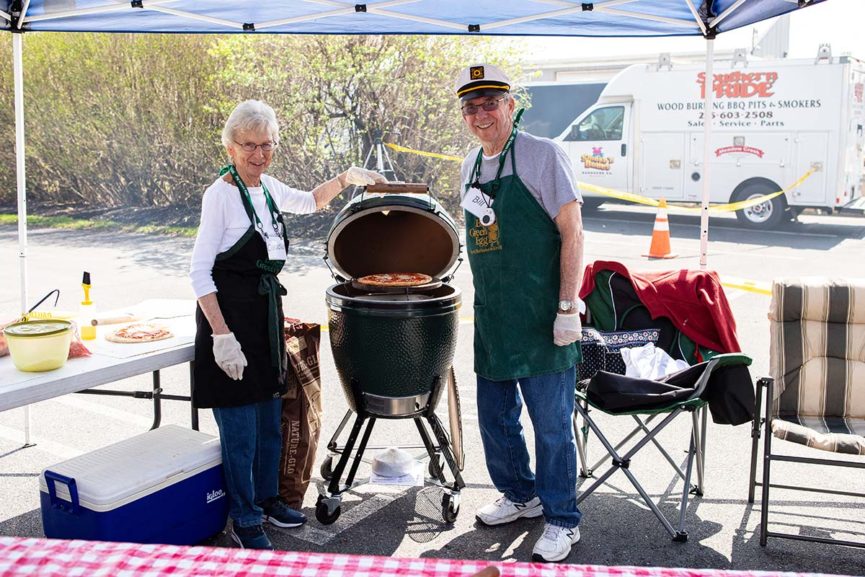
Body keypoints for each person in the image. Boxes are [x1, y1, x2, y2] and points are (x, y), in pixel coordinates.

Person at [189, 99, 384, 550]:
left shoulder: (269, 186)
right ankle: (244, 516)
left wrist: (345, 178)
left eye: (267, 145)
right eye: (249, 145)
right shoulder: (220, 195)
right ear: (231, 146)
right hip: (231, 321)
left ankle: (267, 498)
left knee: (269, 421)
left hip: (265, 318)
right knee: (239, 429)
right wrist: (221, 336)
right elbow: (200, 272)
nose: (259, 154)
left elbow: (311, 201)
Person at [455, 64, 585, 563]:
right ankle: (520, 495)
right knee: (495, 418)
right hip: (494, 317)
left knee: (551, 425)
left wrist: (567, 307)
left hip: (543, 316)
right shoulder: (470, 164)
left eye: (491, 102)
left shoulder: (543, 155)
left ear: (512, 105)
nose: (481, 113)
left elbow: (572, 232)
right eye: (471, 106)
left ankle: (560, 519)